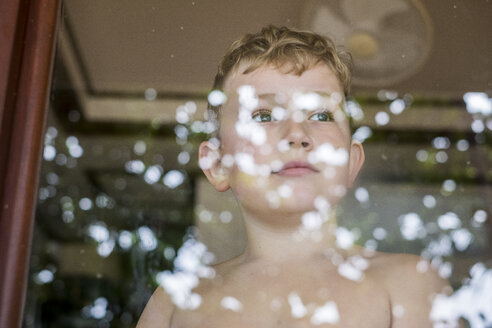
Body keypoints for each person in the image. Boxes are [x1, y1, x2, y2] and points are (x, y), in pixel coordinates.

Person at [137, 25, 450, 328]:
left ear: (351, 163)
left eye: (321, 115)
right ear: (218, 164)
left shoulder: (407, 284)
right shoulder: (174, 303)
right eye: (263, 115)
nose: (297, 133)